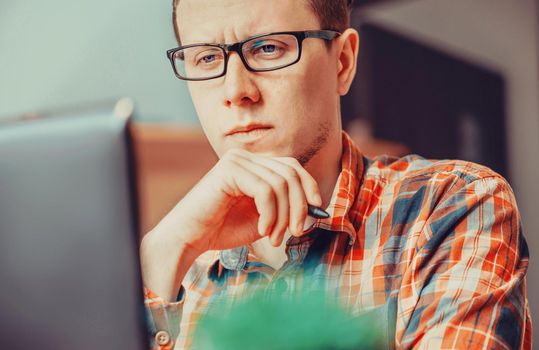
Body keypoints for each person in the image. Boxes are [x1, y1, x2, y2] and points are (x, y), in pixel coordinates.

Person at [140, 0, 532, 349]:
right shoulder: (176, 264)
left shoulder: (452, 205)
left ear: (342, 62)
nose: (236, 90)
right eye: (207, 58)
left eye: (268, 47)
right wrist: (160, 257)